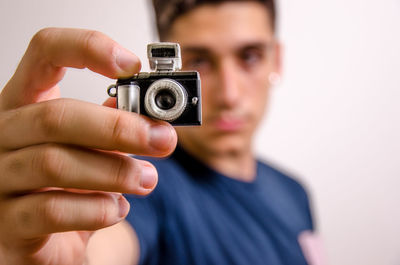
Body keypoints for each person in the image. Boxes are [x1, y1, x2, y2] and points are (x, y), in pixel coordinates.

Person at [0, 0, 317, 264]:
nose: (229, 94)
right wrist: (39, 251)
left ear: (277, 60)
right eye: (200, 62)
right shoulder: (138, 181)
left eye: (249, 56)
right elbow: (102, 246)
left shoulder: (294, 192)